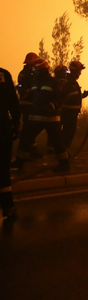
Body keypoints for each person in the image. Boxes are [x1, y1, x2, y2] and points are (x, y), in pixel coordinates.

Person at [12, 58, 69, 173]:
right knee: (26, 137)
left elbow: (61, 97)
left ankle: (65, 164)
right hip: (35, 117)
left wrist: (52, 106)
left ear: (42, 71)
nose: (34, 73)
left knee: (57, 142)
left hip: (51, 118)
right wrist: (22, 92)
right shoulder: (35, 82)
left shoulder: (54, 82)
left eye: (36, 71)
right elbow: (32, 97)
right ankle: (19, 161)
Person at [0, 63, 22, 221]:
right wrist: (17, 122)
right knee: (2, 169)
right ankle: (7, 207)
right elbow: (13, 101)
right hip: (2, 126)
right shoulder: (4, 75)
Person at [60, 61, 88, 149]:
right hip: (69, 112)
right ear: (75, 71)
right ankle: (64, 151)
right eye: (79, 71)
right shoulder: (69, 82)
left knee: (69, 132)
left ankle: (64, 150)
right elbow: (68, 97)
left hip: (71, 112)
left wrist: (82, 96)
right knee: (68, 132)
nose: (80, 73)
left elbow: (73, 97)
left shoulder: (71, 81)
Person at [16, 52, 38, 158]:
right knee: (28, 128)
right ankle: (27, 152)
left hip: (29, 104)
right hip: (28, 104)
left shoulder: (25, 73)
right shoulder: (28, 75)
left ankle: (32, 149)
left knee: (30, 127)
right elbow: (31, 88)